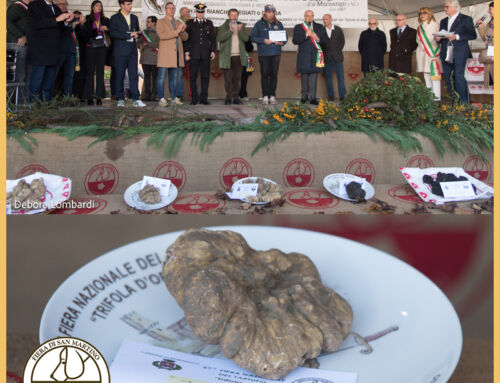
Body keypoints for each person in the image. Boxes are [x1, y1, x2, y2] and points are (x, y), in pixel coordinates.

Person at [27, 0, 74, 102]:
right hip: (41, 50)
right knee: (37, 79)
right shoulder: (35, 5)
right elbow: (35, 23)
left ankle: (46, 103)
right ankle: (33, 105)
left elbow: (61, 29)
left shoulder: (56, 8)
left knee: (50, 79)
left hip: (54, 50)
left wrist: (66, 22)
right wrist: (56, 19)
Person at [435, 0, 477, 103]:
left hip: (459, 51)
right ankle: (454, 101)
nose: (445, 9)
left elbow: (473, 35)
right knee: (448, 77)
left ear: (455, 7)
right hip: (446, 51)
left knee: (458, 76)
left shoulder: (466, 19)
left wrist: (457, 36)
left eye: (447, 7)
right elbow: (443, 36)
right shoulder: (444, 21)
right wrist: (438, 38)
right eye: (445, 7)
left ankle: (464, 102)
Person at [109, 0, 146, 107]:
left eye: (131, 4)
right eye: (128, 4)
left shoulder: (134, 17)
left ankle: (136, 98)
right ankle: (120, 98)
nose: (130, 6)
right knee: (120, 75)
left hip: (132, 50)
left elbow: (138, 31)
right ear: (122, 5)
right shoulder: (114, 18)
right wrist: (128, 35)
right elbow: (113, 33)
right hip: (120, 50)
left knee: (134, 75)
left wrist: (137, 35)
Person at [251, 4, 287, 105]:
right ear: (265, 12)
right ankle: (265, 96)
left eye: (272, 12)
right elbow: (253, 37)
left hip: (276, 53)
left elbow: (285, 37)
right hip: (264, 53)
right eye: (269, 12)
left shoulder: (278, 24)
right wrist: (263, 40)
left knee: (274, 75)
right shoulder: (259, 24)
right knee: (265, 74)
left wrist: (281, 43)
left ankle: (272, 95)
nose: (271, 14)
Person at [156, 2, 188, 106]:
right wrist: (176, 32)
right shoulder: (160, 22)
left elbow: (185, 37)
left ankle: (174, 98)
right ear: (165, 10)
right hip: (165, 54)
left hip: (176, 54)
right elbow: (162, 35)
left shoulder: (178, 21)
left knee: (173, 77)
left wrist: (182, 31)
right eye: (170, 8)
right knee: (161, 77)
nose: (172, 10)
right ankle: (161, 98)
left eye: (174, 8)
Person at [184, 3, 216, 105]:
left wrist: (213, 51)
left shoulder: (209, 23)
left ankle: (203, 98)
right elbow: (186, 40)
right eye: (198, 12)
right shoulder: (189, 23)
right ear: (196, 12)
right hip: (193, 54)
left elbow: (213, 39)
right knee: (192, 77)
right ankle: (194, 98)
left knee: (205, 77)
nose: (200, 14)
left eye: (202, 12)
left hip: (205, 54)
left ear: (204, 12)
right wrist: (187, 52)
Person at [293, 9, 326, 105]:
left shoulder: (319, 27)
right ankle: (304, 97)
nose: (309, 17)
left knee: (314, 77)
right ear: (304, 16)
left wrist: (317, 38)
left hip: (315, 55)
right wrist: (306, 35)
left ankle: (313, 98)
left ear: (313, 17)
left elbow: (324, 41)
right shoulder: (298, 27)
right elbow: (295, 41)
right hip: (304, 56)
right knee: (304, 76)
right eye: (307, 16)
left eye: (311, 16)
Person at [217, 8, 249, 105]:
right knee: (227, 79)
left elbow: (246, 39)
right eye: (232, 15)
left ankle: (236, 97)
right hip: (227, 57)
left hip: (239, 56)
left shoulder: (241, 26)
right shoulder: (223, 26)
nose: (234, 17)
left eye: (236, 15)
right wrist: (230, 31)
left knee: (237, 79)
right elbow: (220, 38)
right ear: (228, 16)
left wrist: (240, 31)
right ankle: (228, 97)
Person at [82, 0, 110, 105]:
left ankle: (99, 97)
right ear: (93, 7)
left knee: (100, 72)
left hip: (101, 47)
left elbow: (111, 32)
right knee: (90, 72)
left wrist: (107, 28)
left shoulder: (105, 19)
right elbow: (84, 33)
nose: (99, 7)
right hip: (90, 47)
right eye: (97, 5)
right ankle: (89, 96)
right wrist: (94, 31)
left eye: (101, 6)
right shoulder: (88, 18)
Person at [7, 0, 32, 102]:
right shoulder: (17, 7)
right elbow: (6, 20)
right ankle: (18, 102)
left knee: (27, 74)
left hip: (27, 46)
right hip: (17, 45)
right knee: (19, 75)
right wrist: (19, 35)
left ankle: (24, 100)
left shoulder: (28, 8)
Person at [54, 0, 79, 99]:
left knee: (69, 76)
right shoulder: (55, 18)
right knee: (53, 75)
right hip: (59, 50)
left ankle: (68, 97)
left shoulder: (71, 17)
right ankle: (49, 98)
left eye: (65, 4)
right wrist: (70, 27)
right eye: (61, 4)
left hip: (71, 51)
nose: (64, 6)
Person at [416, 7, 442, 100]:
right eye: (420, 13)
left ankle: (437, 97)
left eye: (424, 13)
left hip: (432, 52)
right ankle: (429, 97)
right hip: (423, 53)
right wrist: (423, 46)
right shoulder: (419, 26)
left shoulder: (435, 25)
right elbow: (418, 40)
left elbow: (438, 39)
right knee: (426, 75)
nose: (422, 15)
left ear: (429, 14)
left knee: (434, 76)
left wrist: (430, 48)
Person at [322, 13, 346, 101]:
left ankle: (342, 96)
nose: (325, 21)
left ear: (331, 19)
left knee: (340, 77)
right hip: (327, 58)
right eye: (323, 19)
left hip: (338, 57)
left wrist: (336, 51)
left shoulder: (338, 29)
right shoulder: (321, 30)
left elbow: (342, 42)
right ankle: (331, 96)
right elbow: (320, 44)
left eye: (326, 19)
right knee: (328, 78)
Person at [139, 16, 159, 101]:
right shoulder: (143, 32)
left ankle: (154, 94)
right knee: (146, 77)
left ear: (154, 23)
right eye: (147, 22)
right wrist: (140, 45)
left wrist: (147, 44)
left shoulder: (158, 32)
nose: (147, 23)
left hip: (154, 58)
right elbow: (138, 42)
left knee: (155, 77)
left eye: (149, 22)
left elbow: (159, 44)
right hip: (145, 58)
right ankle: (147, 95)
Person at [72, 10, 88, 101]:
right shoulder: (70, 25)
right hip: (71, 52)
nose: (77, 20)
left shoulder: (84, 26)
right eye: (76, 18)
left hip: (82, 52)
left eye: (79, 18)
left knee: (82, 74)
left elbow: (85, 36)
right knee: (71, 75)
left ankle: (81, 94)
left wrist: (81, 25)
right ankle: (72, 93)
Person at [477, 2, 494, 88]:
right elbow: (486, 38)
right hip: (491, 56)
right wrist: (481, 27)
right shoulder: (490, 23)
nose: (488, 11)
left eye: (490, 9)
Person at [177, 6, 191, 100]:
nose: (187, 13)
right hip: (179, 51)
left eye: (188, 12)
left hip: (190, 51)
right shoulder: (177, 22)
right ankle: (178, 95)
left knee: (191, 75)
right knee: (178, 73)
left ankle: (192, 96)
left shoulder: (190, 23)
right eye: (186, 12)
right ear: (181, 13)